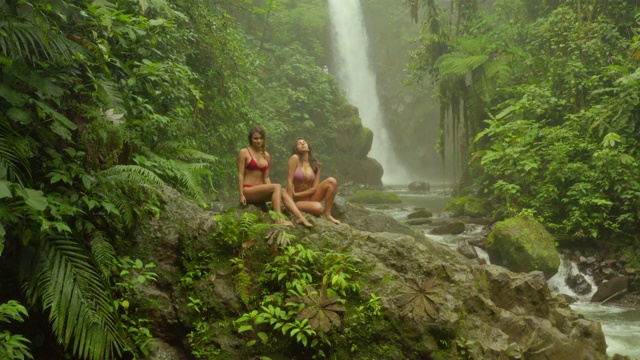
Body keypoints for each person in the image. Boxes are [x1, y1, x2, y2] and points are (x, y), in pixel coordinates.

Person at [238, 126, 313, 228]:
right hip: (248, 190)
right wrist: (241, 195)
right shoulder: (244, 152)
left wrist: (274, 193)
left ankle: (300, 217)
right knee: (277, 186)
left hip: (260, 192)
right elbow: (241, 174)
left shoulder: (266, 155)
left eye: (260, 138)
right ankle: (279, 220)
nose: (258, 141)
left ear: (264, 139)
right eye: (255, 138)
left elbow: (266, 177)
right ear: (250, 139)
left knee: (282, 191)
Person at [287, 138, 340, 224]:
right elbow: (289, 181)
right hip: (296, 200)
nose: (302, 144)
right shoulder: (295, 158)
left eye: (304, 142)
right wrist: (289, 203)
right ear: (296, 149)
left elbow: (315, 188)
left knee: (332, 181)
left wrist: (297, 193)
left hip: (310, 197)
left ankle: (328, 215)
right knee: (318, 208)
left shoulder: (316, 165)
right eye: (299, 144)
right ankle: (306, 207)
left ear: (308, 147)